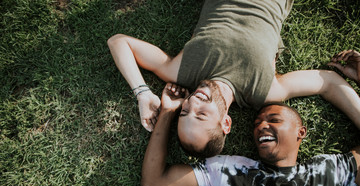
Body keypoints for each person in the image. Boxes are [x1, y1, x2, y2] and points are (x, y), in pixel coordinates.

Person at [107, 0, 360, 157]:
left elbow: (118, 42)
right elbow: (327, 82)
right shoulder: (264, 91)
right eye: (201, 114)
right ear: (226, 123)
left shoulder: (182, 71)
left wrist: (142, 93)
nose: (193, 103)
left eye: (184, 113)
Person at [140, 82, 360, 186]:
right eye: (256, 123)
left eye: (274, 120)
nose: (261, 126)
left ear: (300, 132)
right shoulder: (229, 172)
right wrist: (168, 111)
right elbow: (155, 180)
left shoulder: (328, 173)